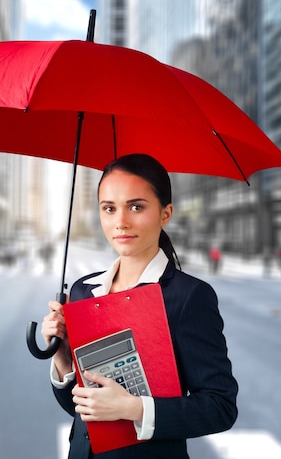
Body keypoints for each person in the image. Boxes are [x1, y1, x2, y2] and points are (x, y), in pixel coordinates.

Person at [40, 154, 238, 458]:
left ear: (165, 213)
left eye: (136, 207)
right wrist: (64, 359)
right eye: (109, 208)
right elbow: (81, 411)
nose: (121, 221)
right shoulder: (83, 292)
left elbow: (220, 407)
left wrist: (133, 408)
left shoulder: (189, 296)